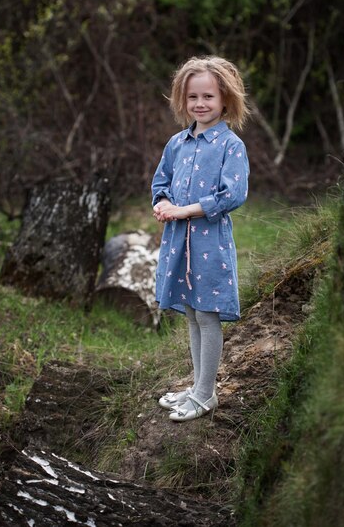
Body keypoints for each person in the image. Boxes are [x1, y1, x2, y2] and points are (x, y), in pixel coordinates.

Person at [151, 56, 251, 422]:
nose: (200, 104)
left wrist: (185, 210)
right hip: (179, 243)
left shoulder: (230, 146)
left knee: (207, 315)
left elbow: (233, 194)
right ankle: (195, 388)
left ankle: (206, 395)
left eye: (208, 96)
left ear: (225, 99)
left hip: (209, 245)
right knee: (191, 313)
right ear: (183, 99)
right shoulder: (177, 143)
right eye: (193, 97)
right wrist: (162, 203)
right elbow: (160, 182)